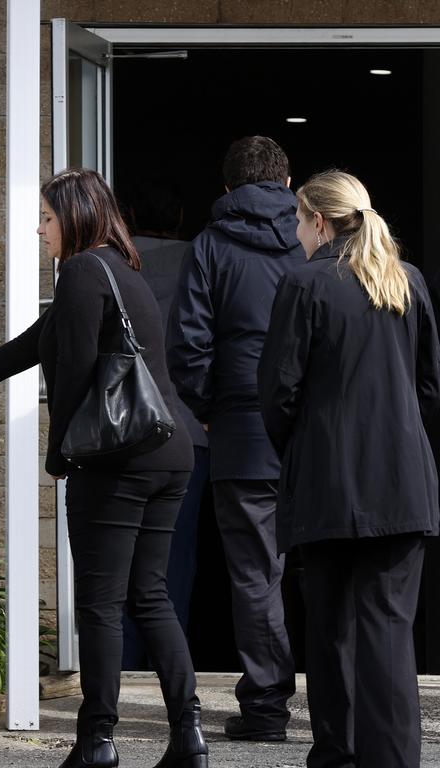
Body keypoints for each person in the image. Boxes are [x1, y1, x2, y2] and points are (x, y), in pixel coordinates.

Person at [0, 167, 207, 768]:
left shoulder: (85, 270)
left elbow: (78, 373)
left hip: (119, 461)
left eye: (45, 218)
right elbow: (34, 343)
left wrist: (60, 453)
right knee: (150, 595)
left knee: (100, 602)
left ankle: (97, 742)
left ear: (75, 217)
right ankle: (188, 736)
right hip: (169, 451)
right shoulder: (123, 269)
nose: (40, 230)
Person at [258, 170, 440, 768]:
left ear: (319, 220)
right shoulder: (405, 280)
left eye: (297, 221)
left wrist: (305, 451)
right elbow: (428, 387)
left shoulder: (306, 283)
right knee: (389, 632)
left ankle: (337, 755)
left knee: (330, 626)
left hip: (328, 485)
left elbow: (278, 393)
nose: (296, 233)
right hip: (402, 483)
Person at [166, 136, 302, 742]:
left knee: (255, 575)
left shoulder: (210, 247)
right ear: (287, 182)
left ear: (226, 189)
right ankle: (349, 703)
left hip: (243, 433)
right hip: (312, 436)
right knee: (330, 570)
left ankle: (267, 710)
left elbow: (187, 346)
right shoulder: (313, 241)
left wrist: (212, 411)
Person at [123, 179, 209, 669]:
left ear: (129, 213)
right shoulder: (199, 259)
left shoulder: (120, 265)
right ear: (180, 218)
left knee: (122, 557)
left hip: (129, 429)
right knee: (176, 557)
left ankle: (125, 664)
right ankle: (171, 664)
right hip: (192, 431)